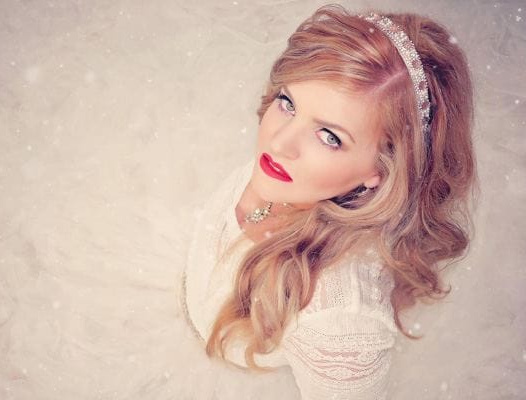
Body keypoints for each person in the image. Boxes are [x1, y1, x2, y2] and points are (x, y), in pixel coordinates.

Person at [182, 4, 476, 399]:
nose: (279, 142)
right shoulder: (286, 173)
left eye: (329, 137)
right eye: (288, 103)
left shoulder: (340, 323)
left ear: (383, 170)